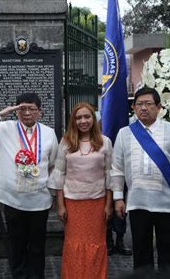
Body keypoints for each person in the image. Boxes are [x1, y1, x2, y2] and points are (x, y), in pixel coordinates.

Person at [111, 87, 170, 270]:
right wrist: (118, 198)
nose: (143, 108)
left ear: (159, 107)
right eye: (139, 104)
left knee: (168, 256)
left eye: (148, 104)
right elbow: (116, 169)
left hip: (167, 203)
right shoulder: (124, 134)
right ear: (133, 107)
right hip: (137, 203)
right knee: (141, 257)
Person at [0, 93, 58, 278]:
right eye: (22, 108)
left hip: (39, 200)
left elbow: (53, 162)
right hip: (12, 199)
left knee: (37, 246)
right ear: (16, 110)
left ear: (40, 112)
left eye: (32, 109)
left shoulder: (48, 132)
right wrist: (1, 114)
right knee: (16, 244)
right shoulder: (4, 128)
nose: (27, 113)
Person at [48, 102, 112, 278]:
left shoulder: (105, 142)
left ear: (94, 118)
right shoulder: (66, 142)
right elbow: (59, 175)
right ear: (73, 121)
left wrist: (108, 205)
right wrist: (60, 206)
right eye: (78, 117)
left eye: (87, 116)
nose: (83, 121)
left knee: (96, 243)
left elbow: (109, 176)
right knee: (74, 244)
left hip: (97, 203)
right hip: (73, 203)